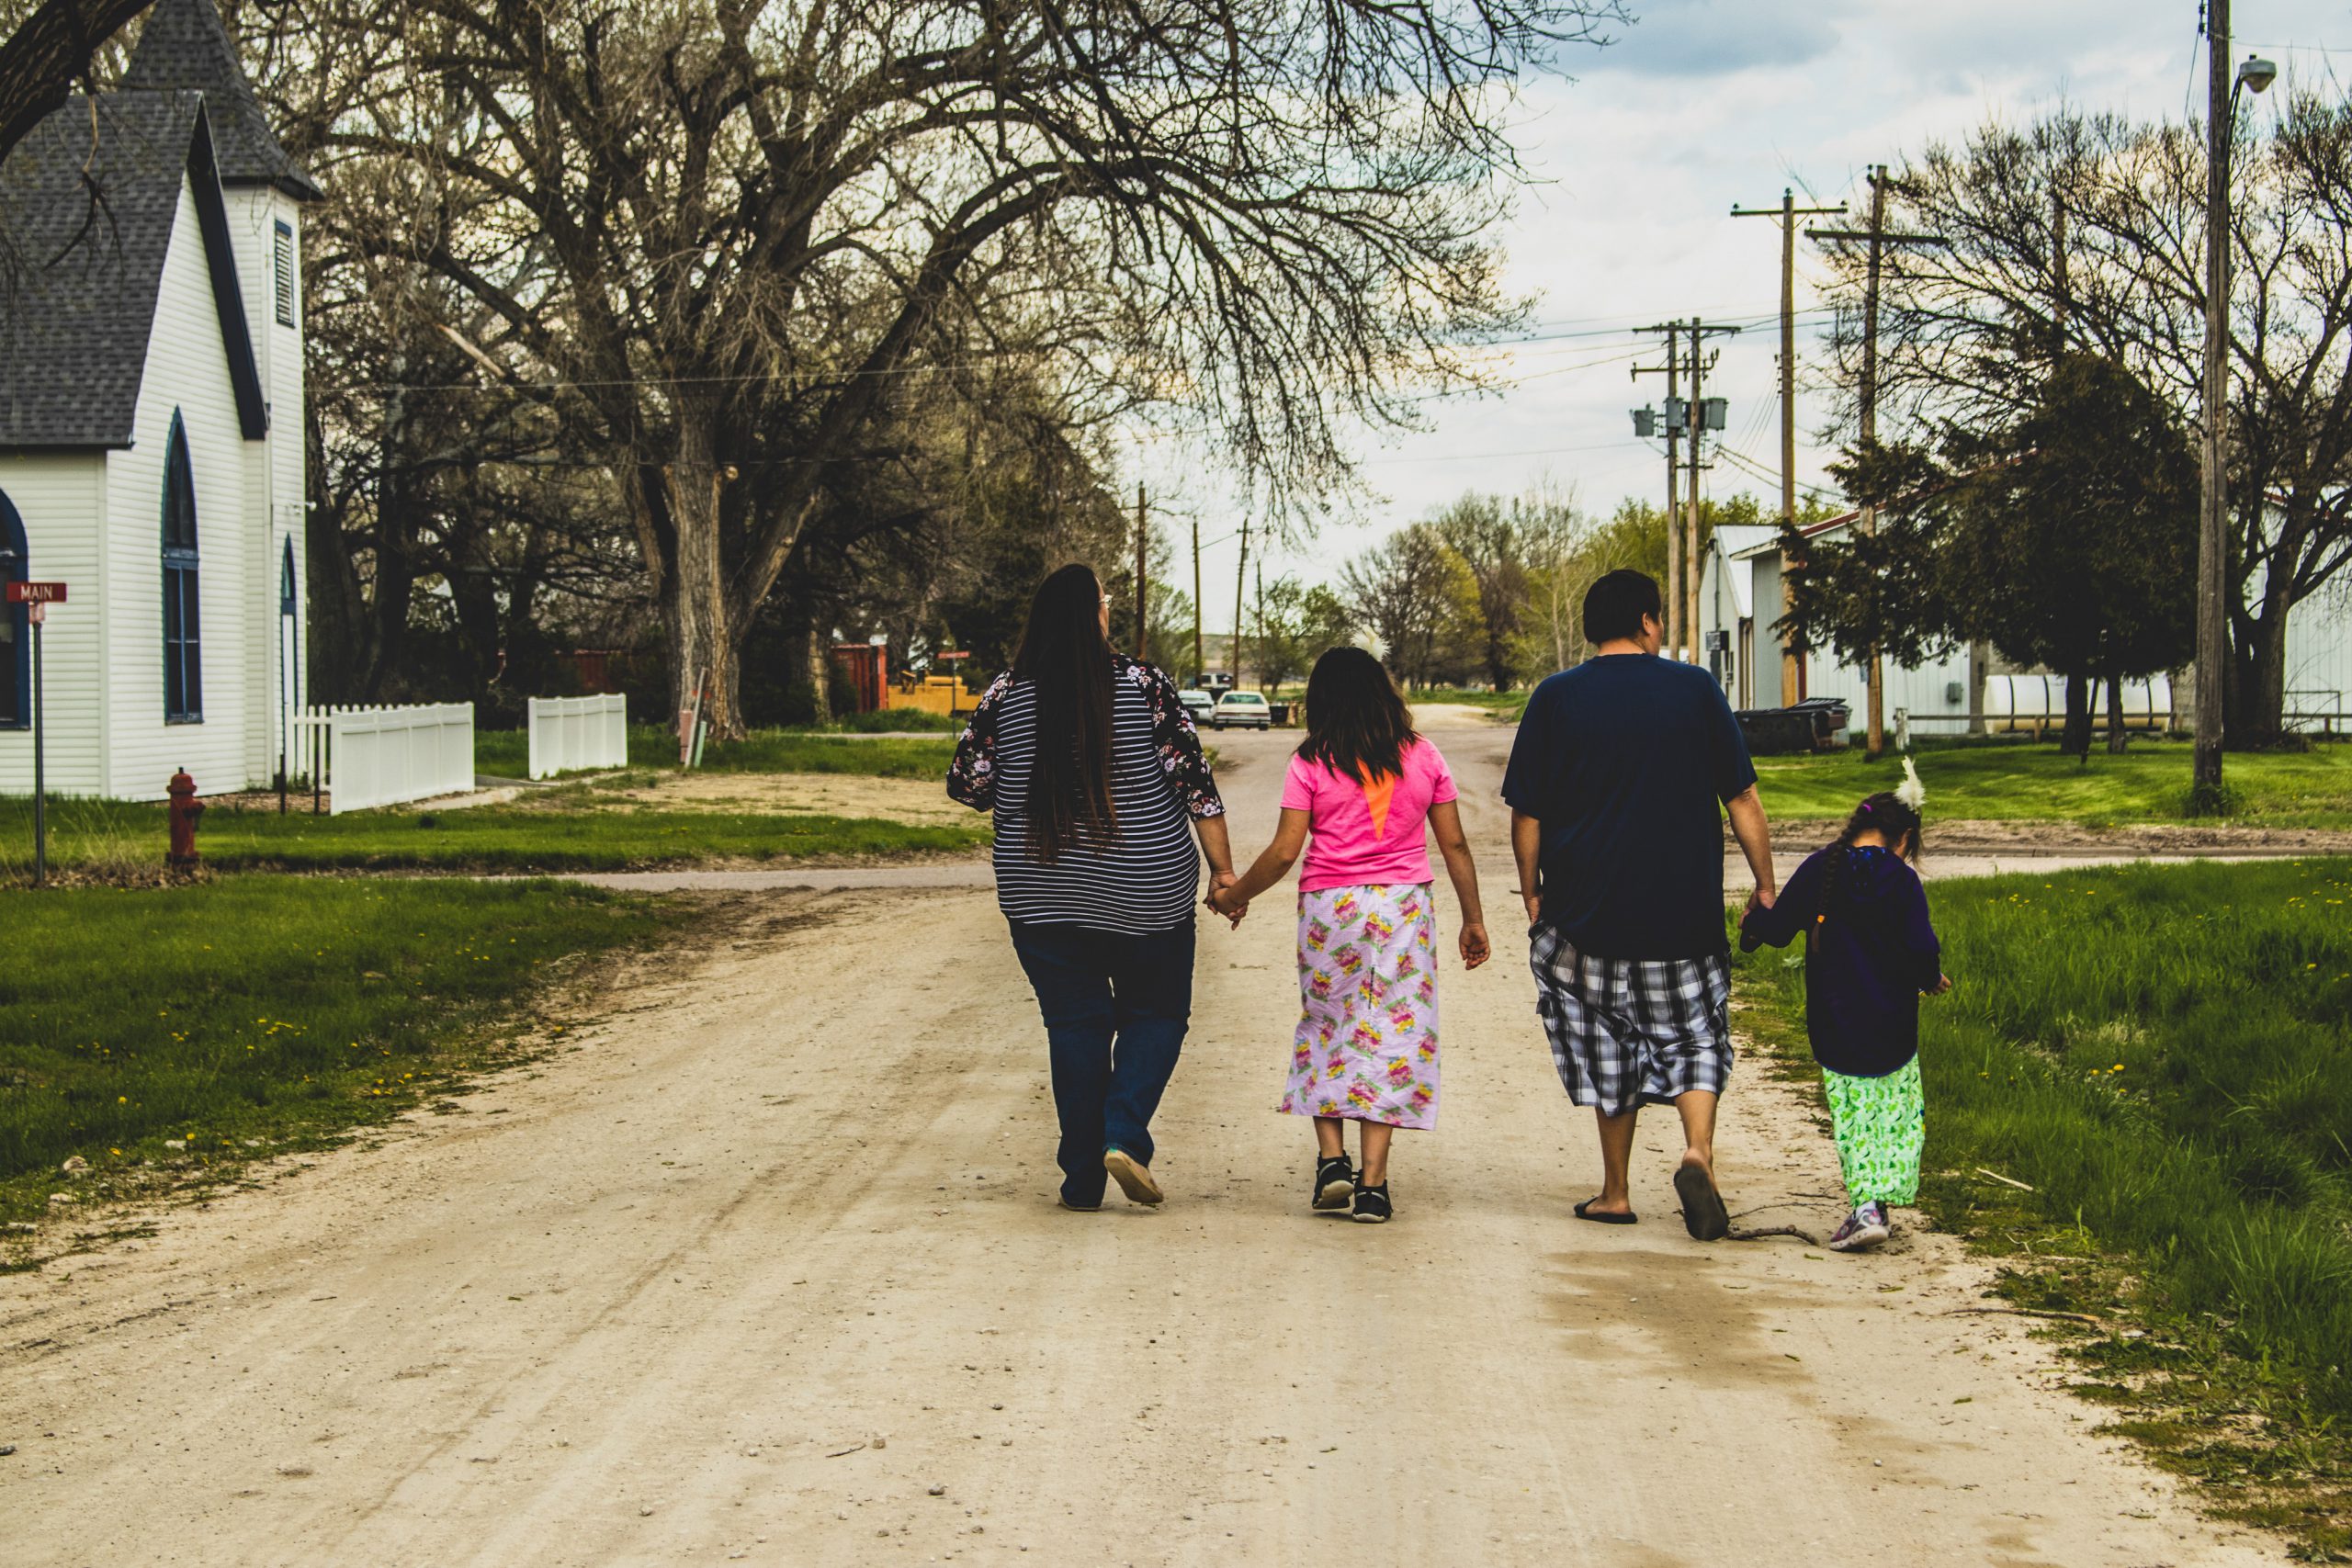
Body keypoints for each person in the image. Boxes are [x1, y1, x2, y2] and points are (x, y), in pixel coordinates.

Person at [947, 563, 1238, 1211]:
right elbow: (1195, 785)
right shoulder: (1145, 685)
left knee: (1075, 1023)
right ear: (1095, 617)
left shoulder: (1005, 692)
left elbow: (968, 783)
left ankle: (1081, 1177)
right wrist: (1222, 875)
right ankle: (1124, 1133)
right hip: (1146, 891)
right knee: (1157, 1011)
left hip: (1042, 893)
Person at [1502, 569, 1776, 1241]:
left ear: (1595, 626)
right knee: (1695, 1036)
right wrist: (1766, 885)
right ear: (1649, 621)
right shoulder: (1695, 689)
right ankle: (1696, 1153)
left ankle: (1616, 1192)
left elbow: (1527, 813)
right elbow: (1742, 798)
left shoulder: (1555, 698)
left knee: (1607, 1045)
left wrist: (1532, 888)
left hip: (1586, 912)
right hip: (1682, 914)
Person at [1208, 648, 1488, 1224]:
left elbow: (1287, 850)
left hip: (1331, 908)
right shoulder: (1425, 756)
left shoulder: (1311, 760)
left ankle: (1332, 1163)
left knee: (1327, 1021)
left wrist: (1234, 896)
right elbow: (1455, 844)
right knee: (1392, 1030)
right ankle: (1375, 1186)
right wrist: (1473, 918)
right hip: (1404, 907)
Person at [1738, 764, 1949, 1252]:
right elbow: (1921, 947)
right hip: (1892, 1020)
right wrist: (1930, 979)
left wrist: (1753, 920)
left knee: (1853, 1113)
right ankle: (1877, 1205)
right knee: (1893, 1112)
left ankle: (1867, 1206)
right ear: (1903, 840)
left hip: (1835, 1019)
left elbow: (1774, 929)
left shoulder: (1822, 867)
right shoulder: (1901, 880)